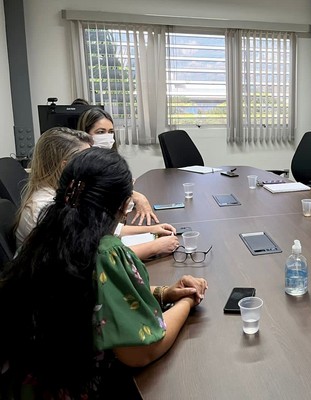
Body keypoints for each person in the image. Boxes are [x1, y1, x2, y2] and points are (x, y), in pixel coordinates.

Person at [0, 147, 208, 398]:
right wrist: (186, 301)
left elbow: (91, 295)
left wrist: (165, 293)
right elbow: (142, 352)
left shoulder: (46, 234)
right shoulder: (106, 253)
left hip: (30, 383)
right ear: (123, 206)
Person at [15, 127, 179, 260]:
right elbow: (89, 261)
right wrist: (154, 247)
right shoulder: (44, 209)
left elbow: (101, 230)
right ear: (66, 166)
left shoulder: (68, 195)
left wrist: (151, 230)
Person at [77, 108, 159, 225]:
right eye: (100, 132)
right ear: (85, 134)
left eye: (110, 132)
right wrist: (136, 196)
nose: (107, 136)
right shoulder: (80, 164)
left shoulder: (111, 161)